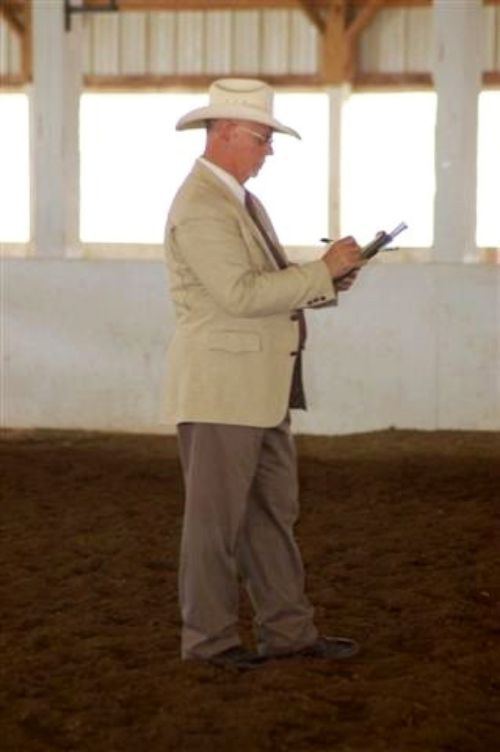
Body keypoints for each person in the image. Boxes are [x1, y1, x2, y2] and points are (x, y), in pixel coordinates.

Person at [163, 78, 364, 670]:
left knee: (269, 515)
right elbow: (240, 294)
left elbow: (264, 288)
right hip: (226, 389)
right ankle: (210, 641)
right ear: (225, 133)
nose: (268, 150)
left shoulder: (237, 203)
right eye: (261, 137)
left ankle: (289, 633)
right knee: (216, 525)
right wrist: (320, 271)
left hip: (253, 387)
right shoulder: (203, 206)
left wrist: (328, 276)